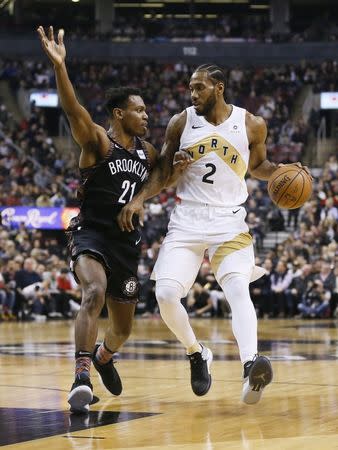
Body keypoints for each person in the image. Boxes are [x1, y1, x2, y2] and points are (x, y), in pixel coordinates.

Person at [118, 64, 309, 404]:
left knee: (237, 287)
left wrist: (284, 171)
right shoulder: (182, 121)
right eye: (191, 88)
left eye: (199, 87)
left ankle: (251, 366)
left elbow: (258, 167)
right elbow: (163, 171)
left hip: (229, 221)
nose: (193, 94)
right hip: (187, 220)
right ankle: (196, 352)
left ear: (218, 87)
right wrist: (139, 198)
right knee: (164, 295)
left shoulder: (251, 123)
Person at [37, 26, 188, 413]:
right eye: (140, 110)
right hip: (91, 234)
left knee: (122, 329)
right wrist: (60, 67)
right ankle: (82, 376)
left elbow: (161, 178)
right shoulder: (98, 141)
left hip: (126, 242)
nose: (146, 115)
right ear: (120, 113)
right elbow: (73, 110)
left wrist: (174, 170)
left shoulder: (149, 151)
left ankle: (104, 356)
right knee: (93, 293)